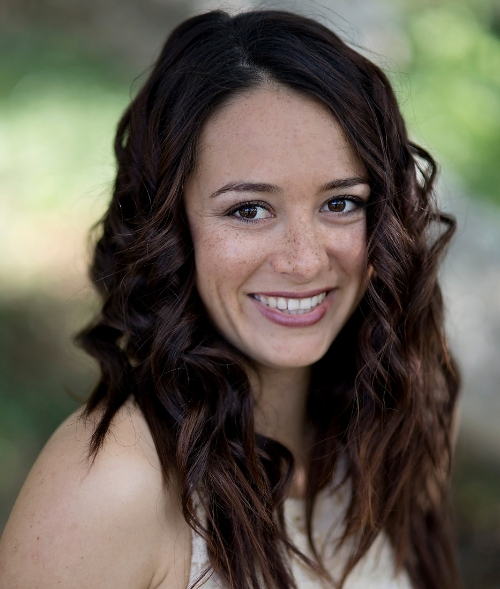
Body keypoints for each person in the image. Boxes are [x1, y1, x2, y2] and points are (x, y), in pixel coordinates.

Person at [0, 9, 462, 589]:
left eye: (340, 203)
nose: (305, 260)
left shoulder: (401, 413)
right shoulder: (111, 488)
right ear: (172, 228)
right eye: (249, 210)